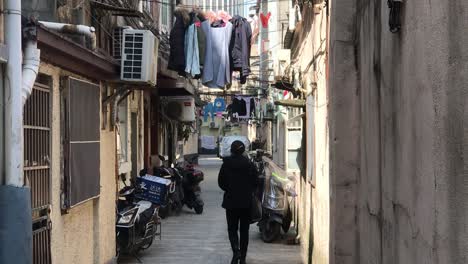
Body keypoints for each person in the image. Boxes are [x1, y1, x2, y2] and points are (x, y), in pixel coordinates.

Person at [218, 141, 258, 264]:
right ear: (243, 150)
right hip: (246, 202)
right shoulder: (249, 164)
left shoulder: (226, 163)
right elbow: (255, 182)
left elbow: (221, 182)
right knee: (244, 230)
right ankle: (243, 258)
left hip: (231, 201)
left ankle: (236, 252)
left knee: (232, 229)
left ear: (232, 150)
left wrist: (230, 189)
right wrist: (248, 190)